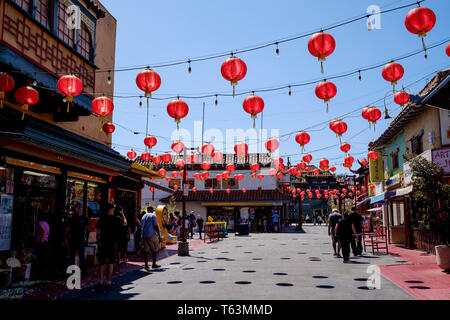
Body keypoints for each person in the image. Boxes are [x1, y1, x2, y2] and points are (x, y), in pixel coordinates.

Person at [96, 203, 122, 287]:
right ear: (112, 209)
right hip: (112, 243)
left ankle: (100, 281)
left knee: (102, 262)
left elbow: (98, 233)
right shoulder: (116, 218)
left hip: (103, 243)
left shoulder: (102, 219)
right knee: (110, 262)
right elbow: (125, 223)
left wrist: (98, 242)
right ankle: (108, 281)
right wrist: (122, 214)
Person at [66, 202, 88, 275]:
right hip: (72, 239)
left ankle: (84, 271)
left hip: (81, 239)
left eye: (80, 207)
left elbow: (87, 229)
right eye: (77, 207)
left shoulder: (84, 218)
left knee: (81, 255)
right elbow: (67, 229)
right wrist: (65, 238)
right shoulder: (72, 218)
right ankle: (72, 271)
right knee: (72, 255)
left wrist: (87, 239)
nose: (79, 209)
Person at [35, 213, 50, 277]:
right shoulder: (47, 224)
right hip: (46, 241)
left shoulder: (40, 223)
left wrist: (42, 238)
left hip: (40, 241)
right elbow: (48, 233)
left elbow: (42, 230)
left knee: (39, 256)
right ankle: (44, 270)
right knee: (44, 256)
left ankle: (39, 271)